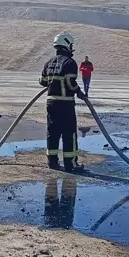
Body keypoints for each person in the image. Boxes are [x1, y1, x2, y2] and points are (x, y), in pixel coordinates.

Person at [39, 32, 86, 173]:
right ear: (66, 45)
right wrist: (78, 91)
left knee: (52, 132)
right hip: (65, 104)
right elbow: (70, 83)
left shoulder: (49, 62)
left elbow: (42, 82)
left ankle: (52, 162)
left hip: (51, 104)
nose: (72, 48)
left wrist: (53, 82)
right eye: (71, 45)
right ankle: (70, 163)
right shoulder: (70, 63)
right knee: (68, 133)